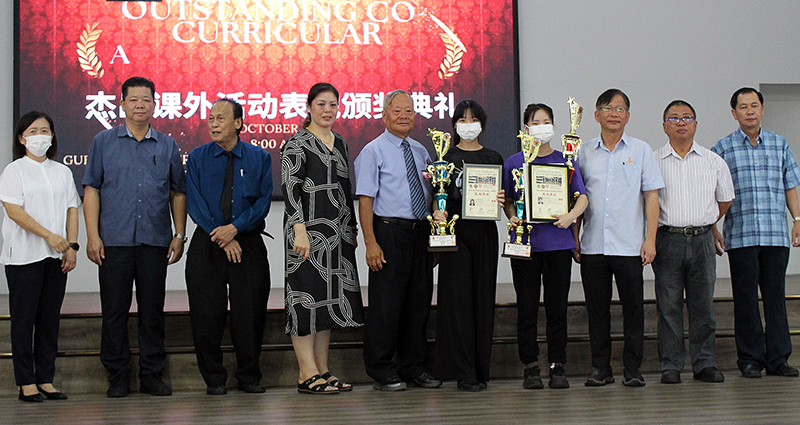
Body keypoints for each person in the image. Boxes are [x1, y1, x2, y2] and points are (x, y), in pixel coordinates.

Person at [83, 76, 187, 398]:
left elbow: (177, 192)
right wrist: (92, 236)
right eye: (134, 100)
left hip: (155, 240)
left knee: (152, 312)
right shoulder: (103, 141)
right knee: (114, 312)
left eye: (146, 100)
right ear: (123, 104)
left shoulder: (167, 145)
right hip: (113, 240)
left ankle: (152, 375)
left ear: (155, 104)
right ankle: (117, 376)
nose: (140, 105)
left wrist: (179, 234)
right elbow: (92, 189)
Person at [185, 98, 273, 395]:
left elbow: (262, 202)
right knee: (206, 314)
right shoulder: (197, 157)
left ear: (238, 123)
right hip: (208, 241)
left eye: (220, 118)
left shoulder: (259, 157)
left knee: (250, 313)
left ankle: (249, 376)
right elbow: (195, 203)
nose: (213, 123)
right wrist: (221, 234)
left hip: (247, 242)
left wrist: (235, 229)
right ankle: (214, 378)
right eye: (211, 118)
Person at [355, 89, 441, 391]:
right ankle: (381, 369)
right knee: (386, 306)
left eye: (409, 111)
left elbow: (432, 194)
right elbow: (365, 200)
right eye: (397, 111)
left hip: (420, 233)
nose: (404, 116)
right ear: (384, 115)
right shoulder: (373, 151)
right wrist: (371, 242)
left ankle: (414, 366)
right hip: (389, 233)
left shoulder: (421, 151)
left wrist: (436, 236)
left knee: (418, 304)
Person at [577, 88, 664, 387]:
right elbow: (576, 198)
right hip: (593, 245)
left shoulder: (641, 150)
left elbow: (651, 197)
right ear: (596, 114)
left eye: (620, 108)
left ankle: (633, 369)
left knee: (634, 310)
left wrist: (650, 239)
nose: (614, 113)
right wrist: (575, 237)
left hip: (629, 245)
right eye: (608, 107)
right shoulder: (583, 152)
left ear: (627, 116)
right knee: (596, 311)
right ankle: (600, 368)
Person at [711, 87, 800, 379]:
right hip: (741, 236)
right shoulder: (722, 149)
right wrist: (713, 226)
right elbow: (710, 193)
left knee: (776, 298)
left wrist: (797, 219)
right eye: (743, 107)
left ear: (762, 109)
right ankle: (750, 359)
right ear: (734, 112)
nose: (749, 111)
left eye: (754, 105)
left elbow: (790, 185)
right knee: (745, 299)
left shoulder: (779, 144)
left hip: (775, 235)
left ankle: (779, 359)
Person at [282, 83, 364, 395]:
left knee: (327, 301)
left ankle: (322, 369)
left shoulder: (340, 141)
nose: (327, 110)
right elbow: (291, 189)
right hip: (306, 234)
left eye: (332, 104)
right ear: (309, 107)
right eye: (321, 104)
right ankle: (306, 373)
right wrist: (299, 229)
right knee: (304, 300)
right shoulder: (297, 143)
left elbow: (345, 188)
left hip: (337, 233)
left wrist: (351, 228)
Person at [502, 103, 588, 390]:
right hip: (525, 245)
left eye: (546, 121)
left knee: (557, 308)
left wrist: (571, 216)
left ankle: (558, 365)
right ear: (526, 128)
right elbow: (509, 201)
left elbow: (582, 197)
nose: (541, 127)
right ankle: (530, 366)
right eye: (536, 123)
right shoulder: (514, 162)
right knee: (526, 308)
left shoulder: (566, 160)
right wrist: (512, 216)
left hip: (558, 243)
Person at [653, 100, 734, 384]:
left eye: (687, 117)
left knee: (703, 306)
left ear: (696, 124)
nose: (681, 122)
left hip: (702, 241)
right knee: (668, 306)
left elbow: (725, 200)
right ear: (664, 126)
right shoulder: (653, 161)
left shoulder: (713, 161)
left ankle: (705, 363)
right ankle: (670, 365)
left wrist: (708, 222)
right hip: (667, 239)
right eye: (674, 118)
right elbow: (647, 203)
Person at [1, 112, 79, 402]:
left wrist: (72, 245)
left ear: (52, 136)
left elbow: (72, 209)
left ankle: (46, 378)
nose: (40, 136)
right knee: (24, 321)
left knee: (49, 320)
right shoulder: (14, 171)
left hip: (56, 257)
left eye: (45, 130)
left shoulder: (62, 172)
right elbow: (14, 211)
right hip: (23, 257)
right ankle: (26, 382)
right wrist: (49, 236)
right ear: (22, 139)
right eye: (33, 131)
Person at [432, 99, 504, 392]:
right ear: (454, 125)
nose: (468, 124)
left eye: (473, 119)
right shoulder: (444, 158)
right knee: (458, 302)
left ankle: (481, 369)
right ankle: (464, 371)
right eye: (462, 119)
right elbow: (438, 197)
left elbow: (504, 199)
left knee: (483, 300)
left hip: (485, 233)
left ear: (482, 124)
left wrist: (504, 202)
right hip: (455, 234)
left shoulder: (493, 157)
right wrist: (438, 211)